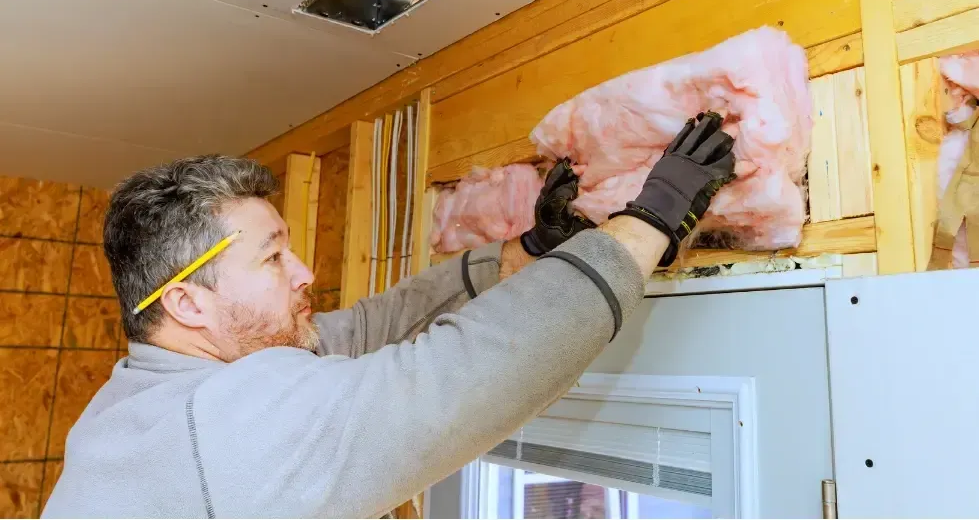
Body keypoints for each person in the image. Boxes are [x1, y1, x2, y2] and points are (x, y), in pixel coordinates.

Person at [42, 112, 735, 518]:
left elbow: (369, 326)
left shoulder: (143, 399)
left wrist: (524, 251)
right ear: (187, 302)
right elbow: (457, 376)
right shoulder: (225, 426)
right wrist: (652, 219)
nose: (305, 272)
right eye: (273, 258)